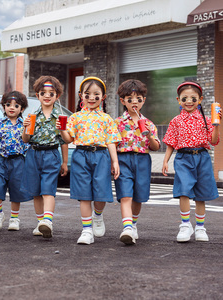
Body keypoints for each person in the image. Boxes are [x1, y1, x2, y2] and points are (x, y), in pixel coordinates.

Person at [57, 76, 121, 245]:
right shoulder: (75, 117)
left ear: (103, 97)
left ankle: (98, 216)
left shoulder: (107, 119)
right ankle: (86, 230)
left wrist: (115, 162)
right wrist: (62, 129)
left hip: (101, 156)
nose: (91, 98)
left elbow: (111, 141)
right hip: (81, 156)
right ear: (81, 96)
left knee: (101, 192)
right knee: (84, 195)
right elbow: (68, 139)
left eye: (96, 94)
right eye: (87, 94)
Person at [162, 81, 221, 243]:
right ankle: (185, 225)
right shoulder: (176, 121)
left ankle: (200, 227)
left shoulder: (206, 120)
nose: (189, 101)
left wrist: (216, 126)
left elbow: (214, 141)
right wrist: (165, 161)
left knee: (201, 194)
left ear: (200, 100)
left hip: (202, 157)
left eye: (193, 99)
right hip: (183, 158)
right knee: (183, 191)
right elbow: (170, 143)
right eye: (184, 98)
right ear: (178, 100)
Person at [22, 75, 68, 239]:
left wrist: (64, 162)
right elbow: (26, 140)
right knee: (36, 191)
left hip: (51, 154)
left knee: (48, 189)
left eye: (51, 93)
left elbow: (66, 140)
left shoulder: (60, 117)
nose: (47, 96)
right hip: (33, 154)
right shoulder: (32, 115)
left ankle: (48, 220)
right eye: (43, 93)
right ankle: (40, 222)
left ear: (57, 96)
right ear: (37, 95)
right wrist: (25, 128)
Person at [114, 79, 160, 245]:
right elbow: (112, 144)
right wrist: (114, 163)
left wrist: (148, 135)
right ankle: (126, 227)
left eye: (138, 99)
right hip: (123, 158)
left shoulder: (149, 124)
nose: (135, 102)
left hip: (142, 159)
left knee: (139, 196)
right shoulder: (117, 123)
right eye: (130, 99)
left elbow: (155, 147)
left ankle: (133, 224)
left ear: (143, 101)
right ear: (123, 101)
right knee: (125, 194)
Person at [0, 91, 32, 231]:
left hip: (18, 161)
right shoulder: (0, 122)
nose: (12, 107)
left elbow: (27, 141)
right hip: (1, 160)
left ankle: (14, 218)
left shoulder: (24, 123)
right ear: (3, 106)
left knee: (16, 191)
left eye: (16, 105)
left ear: (21, 109)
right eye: (8, 104)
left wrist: (26, 128)